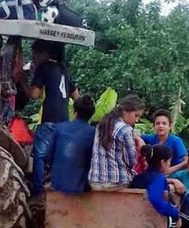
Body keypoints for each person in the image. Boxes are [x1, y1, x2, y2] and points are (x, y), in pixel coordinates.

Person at [28, 40, 79, 196]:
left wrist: (29, 79)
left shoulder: (43, 68)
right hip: (64, 120)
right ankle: (56, 187)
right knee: (59, 155)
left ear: (46, 53)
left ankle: (37, 190)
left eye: (36, 53)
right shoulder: (65, 70)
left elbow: (34, 95)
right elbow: (77, 97)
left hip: (49, 118)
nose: (34, 56)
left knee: (39, 155)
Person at [88, 94, 145, 189]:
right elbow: (131, 162)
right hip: (116, 182)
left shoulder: (101, 125)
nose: (137, 120)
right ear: (125, 111)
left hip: (95, 180)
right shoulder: (126, 129)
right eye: (136, 115)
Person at [47, 94, 96, 194]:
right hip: (79, 185)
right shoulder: (93, 132)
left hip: (57, 183)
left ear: (75, 112)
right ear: (91, 115)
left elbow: (48, 155)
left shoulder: (59, 128)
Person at [129, 144, 182, 228]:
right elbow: (155, 199)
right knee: (185, 219)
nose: (169, 164)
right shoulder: (158, 178)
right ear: (162, 162)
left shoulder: (139, 176)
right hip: (153, 224)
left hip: (135, 218)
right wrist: (175, 214)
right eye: (169, 161)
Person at [141, 109, 188, 175]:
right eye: (157, 123)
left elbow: (186, 161)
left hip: (174, 174)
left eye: (164, 123)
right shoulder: (150, 138)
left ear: (170, 126)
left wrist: (170, 170)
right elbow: (135, 137)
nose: (161, 126)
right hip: (155, 174)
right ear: (153, 126)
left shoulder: (176, 141)